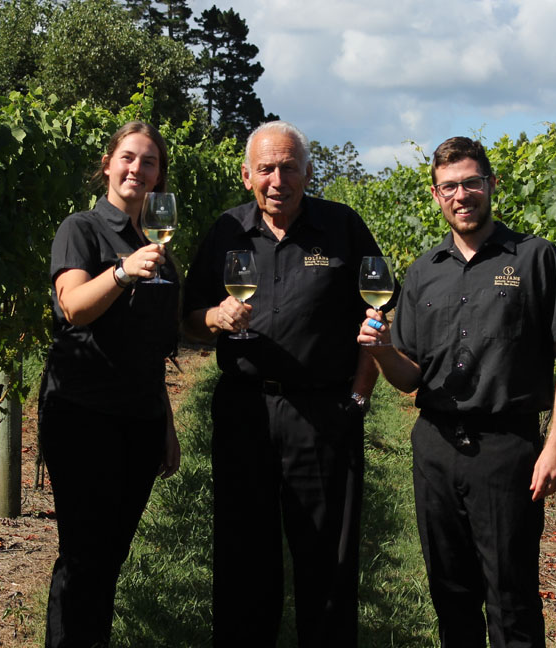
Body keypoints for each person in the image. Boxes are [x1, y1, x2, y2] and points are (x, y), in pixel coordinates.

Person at [358, 136, 556, 648]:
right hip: (435, 448)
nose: (461, 195)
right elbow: (410, 376)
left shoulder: (533, 258)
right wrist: (380, 351)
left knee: (512, 600)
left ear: (491, 186)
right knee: (450, 594)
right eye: (449, 187)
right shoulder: (420, 273)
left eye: (471, 183)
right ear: (436, 196)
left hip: (507, 452)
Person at [182, 121, 387, 647]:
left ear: (308, 172)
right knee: (242, 555)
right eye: (266, 169)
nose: (278, 179)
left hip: (322, 415)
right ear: (247, 175)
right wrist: (213, 317)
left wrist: (359, 398)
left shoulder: (343, 228)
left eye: (289, 167)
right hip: (244, 411)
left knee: (327, 559)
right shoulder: (226, 230)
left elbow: (383, 310)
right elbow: (186, 315)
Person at [39, 121, 181, 648]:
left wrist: (165, 424)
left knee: (111, 554)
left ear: (158, 177)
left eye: (148, 162)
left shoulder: (157, 244)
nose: (136, 169)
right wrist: (122, 272)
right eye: (127, 157)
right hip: (83, 413)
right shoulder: (81, 229)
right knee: (83, 554)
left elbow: (152, 346)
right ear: (107, 164)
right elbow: (73, 308)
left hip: (139, 419)